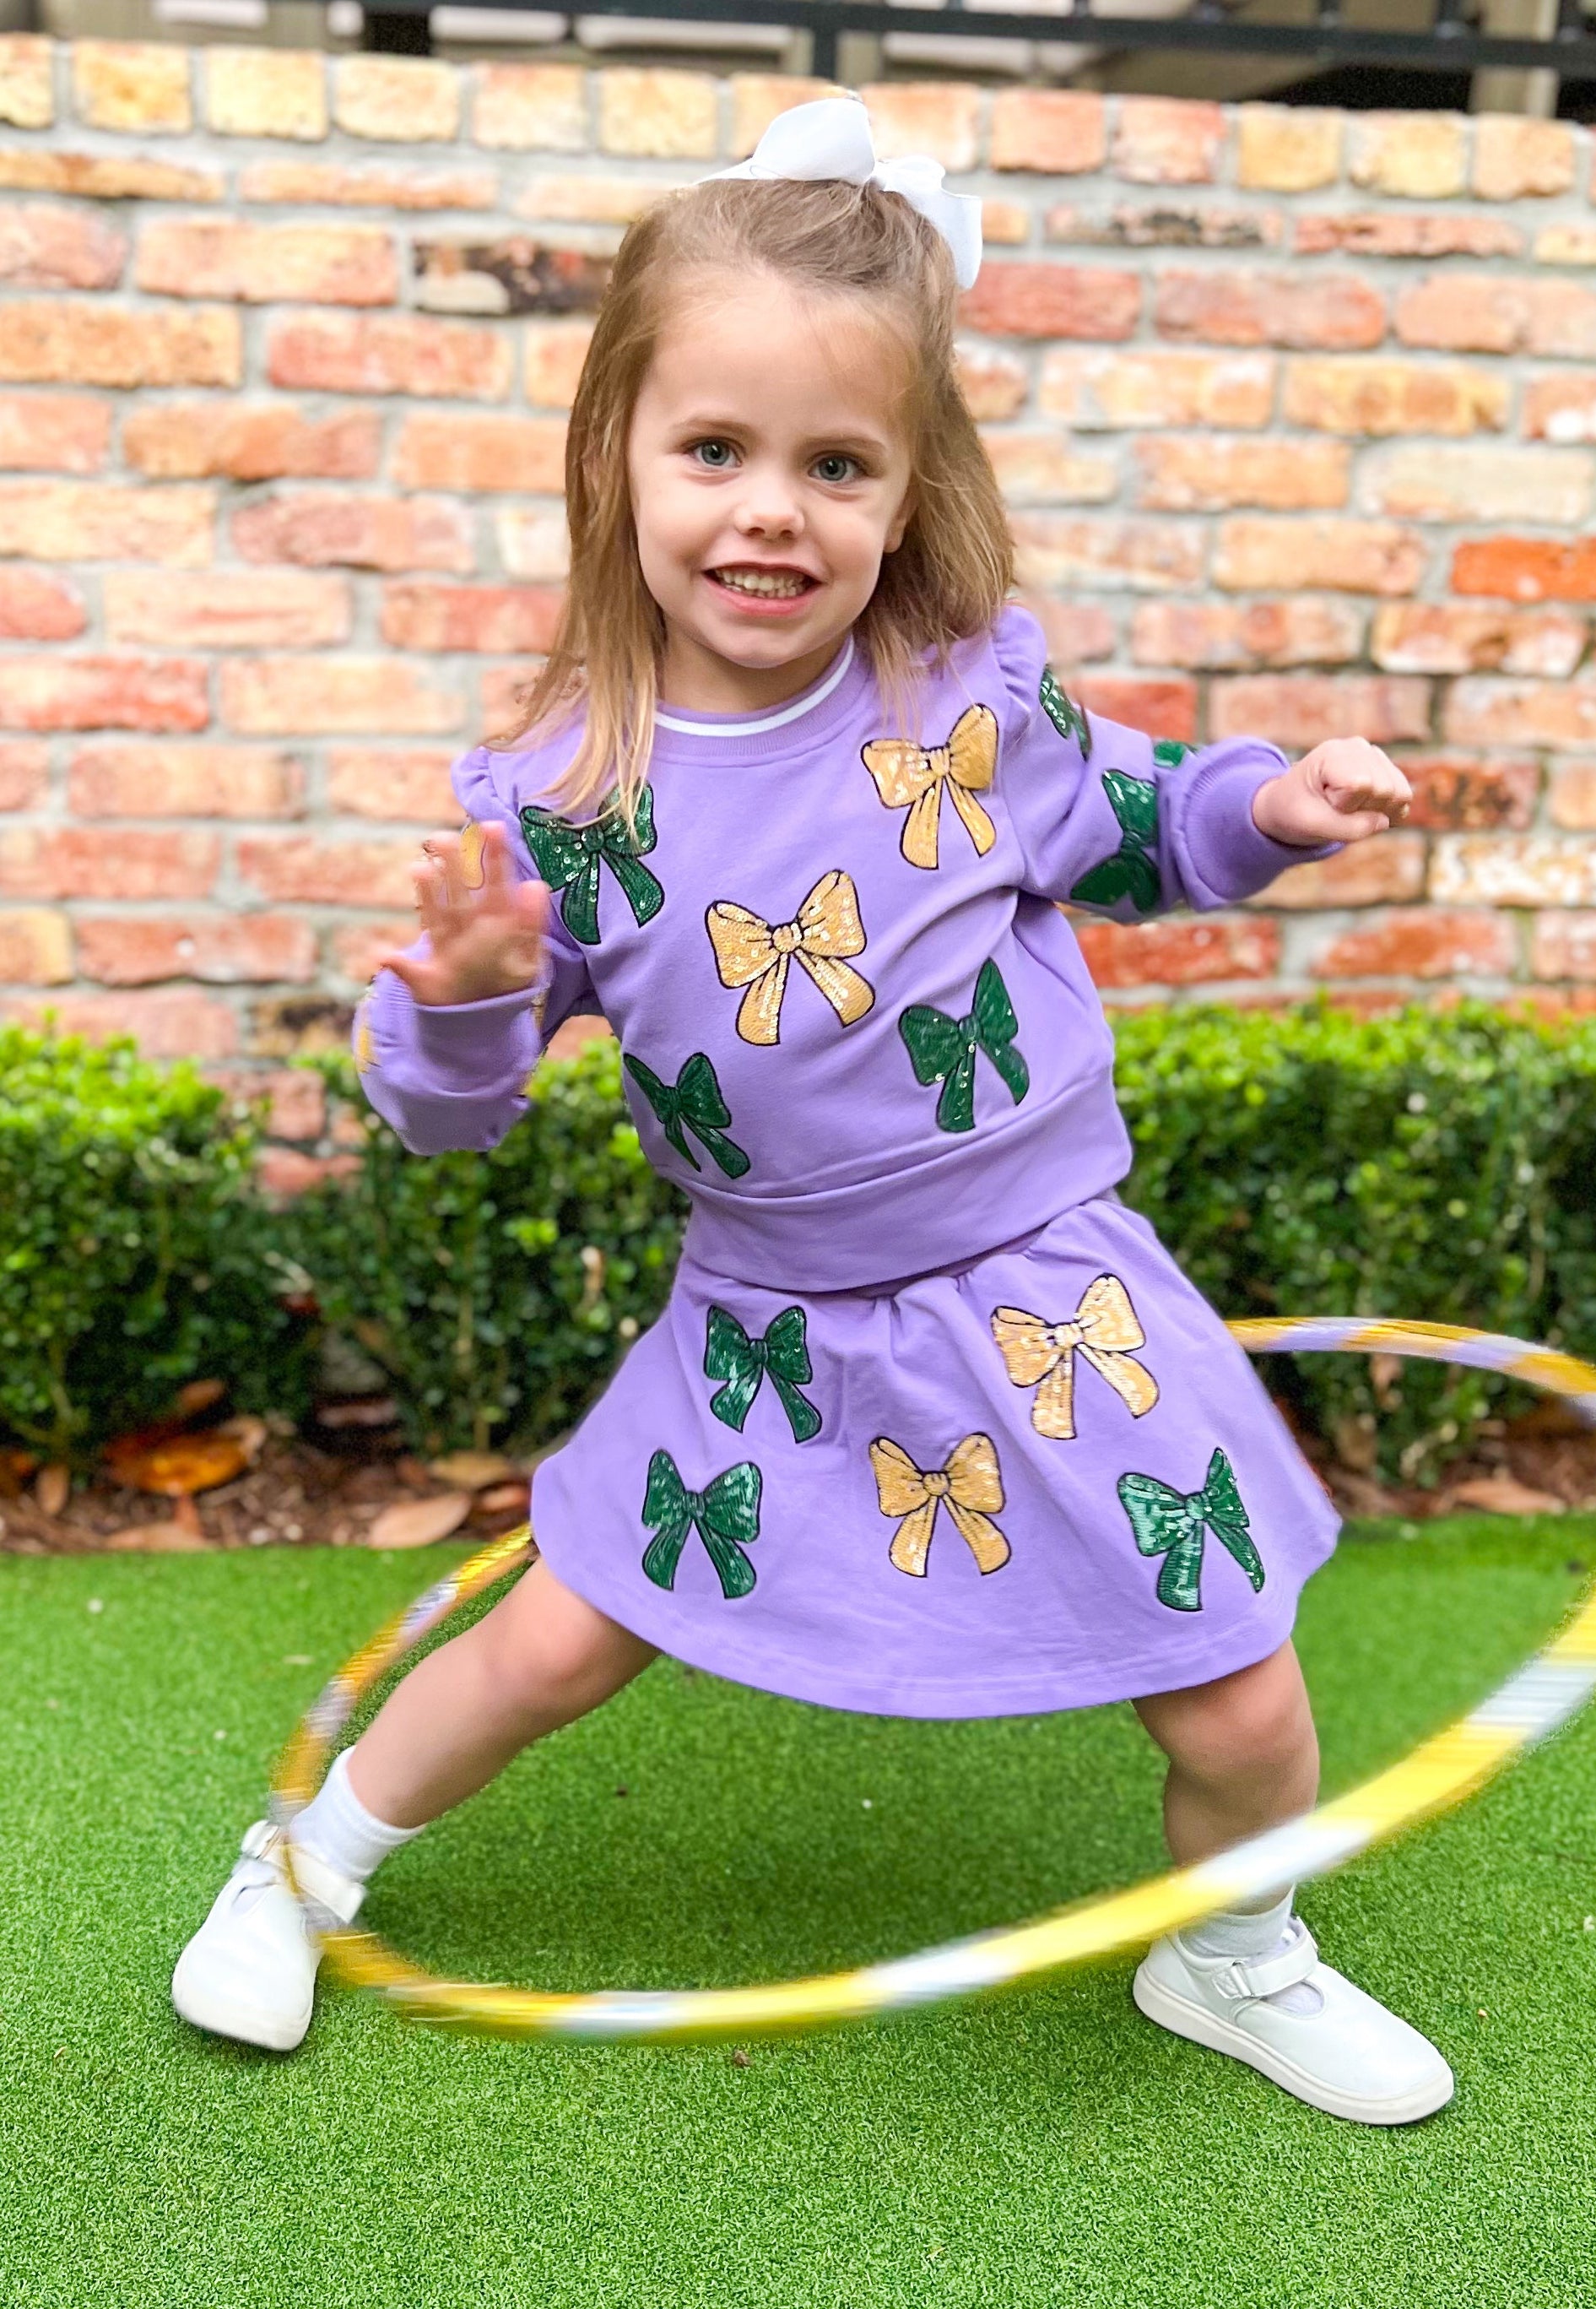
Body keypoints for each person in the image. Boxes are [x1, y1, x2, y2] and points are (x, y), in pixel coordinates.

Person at [173, 97, 1450, 2125]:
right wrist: (470, 993)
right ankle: (304, 1866)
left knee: (1230, 1678)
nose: (770, 512)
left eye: (833, 465)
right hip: (764, 1321)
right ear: (614, 452)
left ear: (905, 490)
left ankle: (1233, 1956)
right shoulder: (562, 804)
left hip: (1047, 1286)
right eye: (715, 451)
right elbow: (441, 1116)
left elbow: (1144, 817)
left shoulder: (962, 703)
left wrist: (1273, 803)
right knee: (557, 1641)